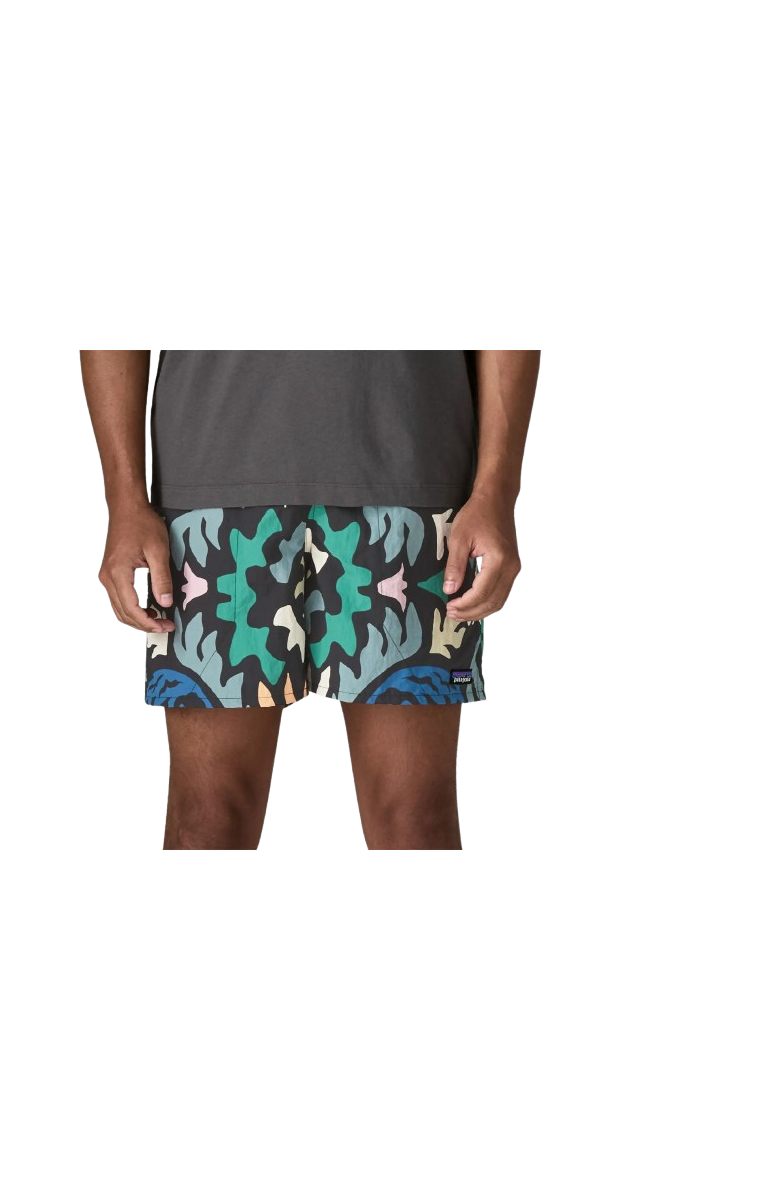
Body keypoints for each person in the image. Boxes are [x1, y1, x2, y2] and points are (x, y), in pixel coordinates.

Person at [81, 351, 539, 850]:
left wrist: (497, 492)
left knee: (416, 820)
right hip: (211, 490)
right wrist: (124, 501)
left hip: (411, 477)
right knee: (207, 818)